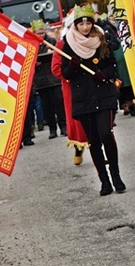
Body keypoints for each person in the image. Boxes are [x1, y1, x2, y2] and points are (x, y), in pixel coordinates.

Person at [61, 3, 125, 196]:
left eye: (88, 23)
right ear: (76, 25)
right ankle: (104, 181)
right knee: (94, 141)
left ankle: (116, 176)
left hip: (103, 94)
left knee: (106, 133)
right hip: (84, 99)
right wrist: (73, 66)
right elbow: (65, 74)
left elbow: (111, 64)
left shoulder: (101, 39)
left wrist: (103, 75)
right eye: (81, 24)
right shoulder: (68, 43)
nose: (85, 27)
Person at [51, 18, 89, 166]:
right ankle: (78, 147)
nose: (84, 28)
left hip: (91, 87)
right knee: (78, 122)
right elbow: (56, 69)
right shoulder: (62, 44)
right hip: (72, 89)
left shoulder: (93, 40)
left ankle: (100, 150)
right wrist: (70, 74)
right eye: (80, 25)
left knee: (98, 121)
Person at [34, 24, 67, 139]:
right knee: (46, 106)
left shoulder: (51, 41)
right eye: (38, 33)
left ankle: (63, 126)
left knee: (59, 103)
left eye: (42, 33)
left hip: (53, 78)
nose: (40, 35)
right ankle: (52, 129)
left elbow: (59, 55)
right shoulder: (32, 44)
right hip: (41, 80)